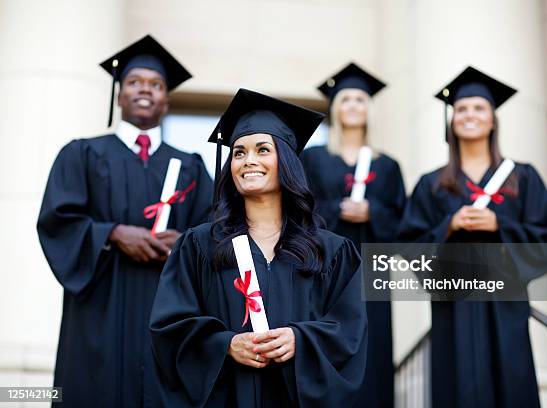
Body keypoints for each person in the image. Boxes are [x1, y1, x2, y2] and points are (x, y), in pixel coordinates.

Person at [149, 88, 368, 407]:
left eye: (262, 150)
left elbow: (350, 331)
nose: (248, 161)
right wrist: (225, 345)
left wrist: (300, 340)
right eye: (239, 152)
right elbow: (169, 329)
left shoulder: (331, 251)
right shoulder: (199, 245)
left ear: (287, 161)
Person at [36, 34, 214, 407]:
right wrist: (113, 233)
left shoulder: (191, 166)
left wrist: (184, 242)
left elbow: (215, 230)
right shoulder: (82, 154)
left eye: (156, 84)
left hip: (166, 308)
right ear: (119, 95)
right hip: (100, 303)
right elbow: (58, 221)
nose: (145, 90)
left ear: (166, 99)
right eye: (134, 82)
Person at [399, 66, 547, 408]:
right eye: (461, 109)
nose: (469, 115)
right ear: (452, 120)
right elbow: (409, 247)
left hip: (505, 305)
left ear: (492, 120)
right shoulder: (431, 184)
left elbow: (545, 240)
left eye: (479, 108)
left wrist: (498, 225)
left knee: (511, 386)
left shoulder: (523, 178)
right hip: (452, 308)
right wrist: (449, 226)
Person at [300, 62, 406, 407]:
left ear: (369, 109)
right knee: (327, 337)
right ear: (334, 109)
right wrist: (335, 210)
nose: (353, 106)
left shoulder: (387, 165)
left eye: (360, 100)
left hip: (372, 269)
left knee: (372, 344)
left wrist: (372, 212)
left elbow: (403, 220)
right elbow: (300, 210)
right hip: (325, 268)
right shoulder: (313, 159)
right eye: (346, 100)